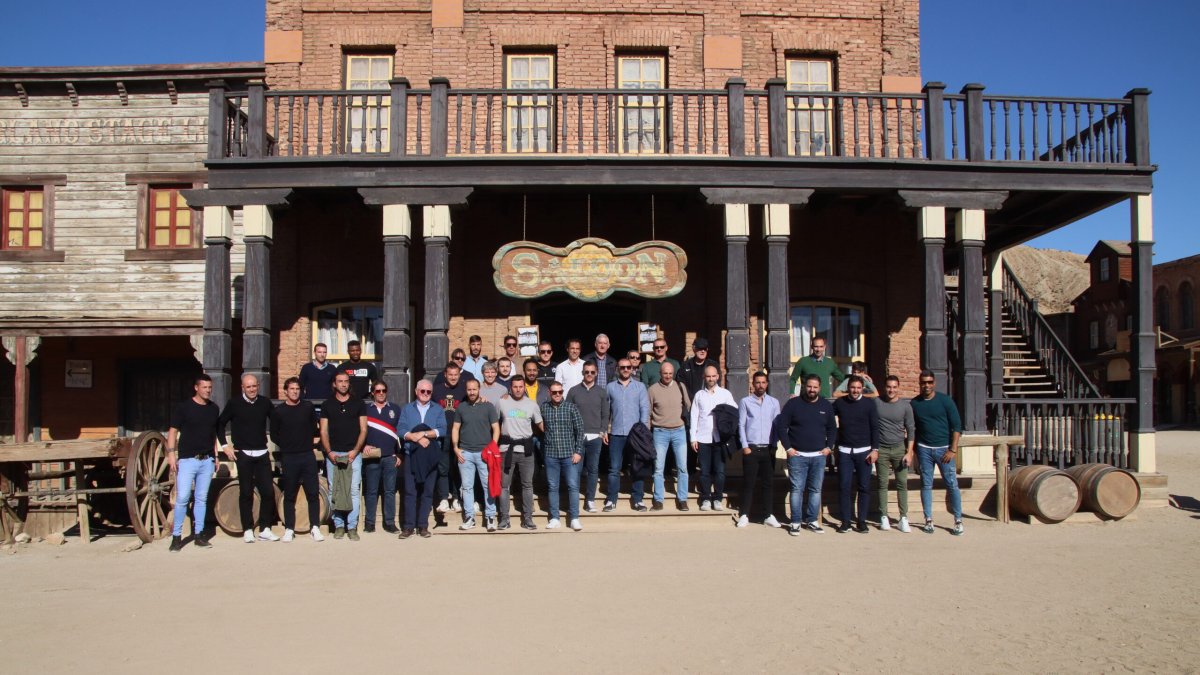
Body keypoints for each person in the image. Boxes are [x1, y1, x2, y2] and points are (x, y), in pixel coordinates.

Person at [217, 373, 278, 543]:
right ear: (242, 387)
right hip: (243, 454)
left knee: (267, 492)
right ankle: (248, 529)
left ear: (258, 386)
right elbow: (220, 423)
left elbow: (277, 420)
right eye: (248, 386)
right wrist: (224, 446)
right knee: (245, 493)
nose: (252, 389)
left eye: (254, 386)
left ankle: (265, 528)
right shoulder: (234, 403)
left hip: (262, 453)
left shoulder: (265, 403)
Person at [166, 374, 221, 551]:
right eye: (204, 387)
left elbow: (213, 434)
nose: (208, 390)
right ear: (196, 388)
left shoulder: (214, 409)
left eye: (210, 388)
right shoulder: (184, 408)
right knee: (182, 498)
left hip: (206, 460)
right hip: (188, 459)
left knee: (201, 499)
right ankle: (177, 536)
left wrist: (216, 456)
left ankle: (199, 534)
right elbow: (173, 431)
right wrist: (171, 454)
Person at [778, 373, 837, 536]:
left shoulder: (826, 405)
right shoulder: (793, 404)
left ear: (820, 388)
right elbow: (782, 427)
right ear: (804, 386)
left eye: (815, 387)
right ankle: (795, 522)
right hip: (798, 455)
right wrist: (788, 448)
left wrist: (829, 447)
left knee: (815, 489)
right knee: (796, 489)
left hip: (819, 455)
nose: (811, 389)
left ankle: (812, 520)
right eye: (809, 386)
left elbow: (832, 428)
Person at [910, 369, 964, 536]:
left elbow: (956, 427)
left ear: (934, 383)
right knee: (926, 484)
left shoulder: (945, 401)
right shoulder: (915, 403)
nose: (926, 385)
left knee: (951, 484)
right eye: (923, 382)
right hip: (924, 449)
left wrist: (952, 449)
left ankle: (958, 520)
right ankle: (928, 519)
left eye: (929, 382)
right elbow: (912, 427)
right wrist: (913, 451)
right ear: (919, 384)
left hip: (944, 449)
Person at [270, 377, 323, 542]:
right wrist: (287, 445)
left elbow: (315, 428)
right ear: (285, 391)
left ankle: (315, 527)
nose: (295, 391)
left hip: (307, 455)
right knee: (290, 494)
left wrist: (309, 443)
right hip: (289, 456)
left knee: (312, 492)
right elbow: (274, 435)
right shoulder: (279, 411)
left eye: (297, 389)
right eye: (292, 389)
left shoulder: (307, 407)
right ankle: (289, 528)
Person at [397, 380, 447, 539]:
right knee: (410, 492)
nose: (425, 394)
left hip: (430, 456)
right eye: (422, 391)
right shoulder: (407, 409)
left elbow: (442, 429)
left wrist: (424, 434)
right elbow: (401, 429)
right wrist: (415, 438)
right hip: (411, 454)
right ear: (416, 391)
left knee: (427, 492)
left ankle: (423, 526)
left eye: (428, 392)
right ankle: (408, 526)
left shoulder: (438, 409)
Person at [320, 372, 367, 540]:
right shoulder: (327, 405)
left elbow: (363, 429)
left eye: (346, 381)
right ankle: (338, 524)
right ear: (334, 384)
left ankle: (352, 526)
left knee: (353, 490)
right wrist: (329, 451)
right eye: (340, 381)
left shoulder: (358, 403)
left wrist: (355, 450)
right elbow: (323, 430)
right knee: (335, 490)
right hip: (334, 453)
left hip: (353, 453)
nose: (343, 384)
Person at [832, 376, 879, 533]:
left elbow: (875, 428)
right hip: (845, 451)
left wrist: (875, 449)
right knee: (844, 487)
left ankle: (862, 521)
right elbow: (827, 417)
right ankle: (845, 521)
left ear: (863, 388)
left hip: (864, 452)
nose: (855, 390)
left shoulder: (869, 404)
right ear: (848, 388)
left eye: (858, 388)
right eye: (853, 387)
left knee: (864, 487)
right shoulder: (840, 403)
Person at [452, 379, 500, 531]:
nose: (472, 392)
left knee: (487, 485)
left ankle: (490, 517)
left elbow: (496, 429)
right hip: (465, 453)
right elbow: (455, 428)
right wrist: (455, 448)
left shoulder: (488, 406)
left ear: (479, 389)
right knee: (466, 487)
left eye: (474, 389)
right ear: (466, 390)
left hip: (484, 453)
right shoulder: (461, 407)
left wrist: (492, 446)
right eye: (469, 390)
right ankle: (470, 517)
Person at [736, 371, 783, 528]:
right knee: (749, 483)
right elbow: (741, 425)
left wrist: (775, 444)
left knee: (768, 483)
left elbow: (777, 425)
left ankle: (768, 515)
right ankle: (744, 514)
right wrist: (745, 446)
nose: (761, 385)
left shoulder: (774, 402)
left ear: (767, 384)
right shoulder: (745, 402)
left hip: (768, 448)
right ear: (753, 384)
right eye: (758, 382)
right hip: (752, 448)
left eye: (763, 382)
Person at [497, 377, 543, 530]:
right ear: (510, 387)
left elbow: (540, 424)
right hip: (506, 449)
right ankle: (504, 519)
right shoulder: (502, 402)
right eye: (515, 386)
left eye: (520, 386)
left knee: (528, 485)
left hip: (526, 451)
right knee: (504, 486)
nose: (518, 389)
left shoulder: (532, 405)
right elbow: (494, 423)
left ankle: (528, 519)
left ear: (524, 388)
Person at [605, 357, 649, 511]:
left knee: (637, 467)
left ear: (632, 369)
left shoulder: (640, 387)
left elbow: (645, 409)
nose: (625, 370)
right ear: (618, 368)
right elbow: (607, 411)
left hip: (635, 434)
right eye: (622, 367)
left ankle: (638, 499)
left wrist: (643, 431)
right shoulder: (610, 387)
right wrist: (605, 430)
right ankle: (611, 499)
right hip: (616, 433)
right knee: (614, 468)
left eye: (628, 367)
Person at [690, 365, 736, 511]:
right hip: (703, 438)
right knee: (704, 472)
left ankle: (717, 498)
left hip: (720, 439)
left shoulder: (725, 394)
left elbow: (734, 412)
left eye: (713, 376)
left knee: (720, 471)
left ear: (718, 376)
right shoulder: (699, 395)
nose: (711, 379)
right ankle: (705, 498)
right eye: (708, 376)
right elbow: (694, 416)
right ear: (704, 377)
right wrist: (693, 438)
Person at [646, 361, 690, 511]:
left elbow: (688, 405)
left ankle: (683, 499)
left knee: (682, 467)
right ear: (660, 373)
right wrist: (647, 431)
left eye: (670, 373)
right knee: (658, 468)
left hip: (679, 431)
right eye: (665, 373)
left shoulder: (680, 386)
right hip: (660, 432)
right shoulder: (652, 390)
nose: (668, 376)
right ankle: (658, 499)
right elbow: (648, 412)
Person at [540, 382, 585, 531]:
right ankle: (554, 518)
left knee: (572, 486)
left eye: (560, 392)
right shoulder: (544, 408)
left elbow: (580, 430)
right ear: (549, 393)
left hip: (569, 454)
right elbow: (541, 428)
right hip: (551, 454)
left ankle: (574, 518)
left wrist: (578, 451)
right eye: (554, 392)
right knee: (553, 487)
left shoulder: (571, 407)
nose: (558, 394)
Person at [566, 361, 609, 513]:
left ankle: (590, 499)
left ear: (596, 373)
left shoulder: (602, 392)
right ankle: (574, 499)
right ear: (582, 373)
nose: (589, 374)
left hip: (595, 437)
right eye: (586, 372)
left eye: (592, 372)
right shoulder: (573, 391)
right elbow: (567, 413)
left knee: (593, 469)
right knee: (575, 470)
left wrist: (603, 431)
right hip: (577, 437)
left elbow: (605, 414)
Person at [875, 375, 915, 533]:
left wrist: (909, 452)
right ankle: (883, 516)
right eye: (888, 387)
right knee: (882, 483)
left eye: (894, 387)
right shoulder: (877, 403)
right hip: (882, 449)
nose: (891, 390)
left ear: (898, 387)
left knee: (902, 484)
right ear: (884, 387)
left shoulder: (905, 406)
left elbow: (911, 429)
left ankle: (903, 517)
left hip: (899, 448)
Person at [362, 381, 402, 534]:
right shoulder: (366, 410)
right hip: (371, 457)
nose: (380, 393)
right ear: (372, 392)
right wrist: (363, 445)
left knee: (390, 491)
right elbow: (360, 431)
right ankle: (370, 523)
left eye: (383, 390)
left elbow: (400, 432)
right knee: (371, 491)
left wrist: (399, 453)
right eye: (377, 391)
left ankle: (389, 523)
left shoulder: (395, 409)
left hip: (390, 457)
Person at [432, 362, 469, 515]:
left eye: (456, 374)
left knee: (457, 468)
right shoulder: (437, 390)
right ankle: (443, 498)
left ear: (459, 375)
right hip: (441, 435)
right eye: (450, 374)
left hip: (459, 436)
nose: (453, 377)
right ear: (445, 375)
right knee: (443, 468)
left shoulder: (464, 390)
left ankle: (456, 497)